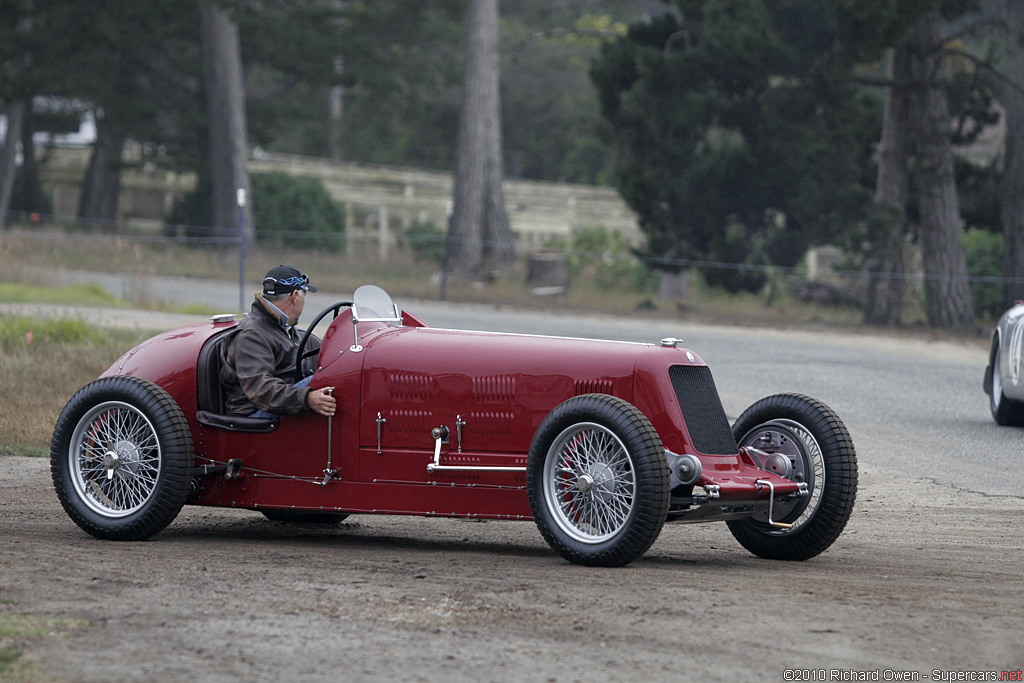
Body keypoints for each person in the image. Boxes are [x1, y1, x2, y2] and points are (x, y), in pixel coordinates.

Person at [220, 265, 336, 418]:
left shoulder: (283, 327)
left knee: (337, 375)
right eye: (304, 295)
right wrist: (307, 398)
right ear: (295, 295)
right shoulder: (251, 334)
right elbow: (261, 391)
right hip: (254, 416)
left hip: (280, 406)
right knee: (327, 383)